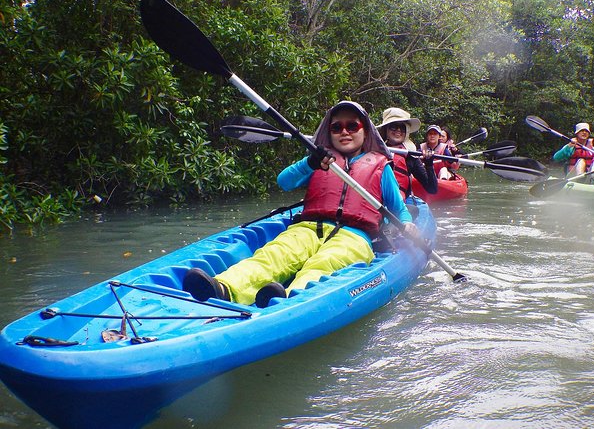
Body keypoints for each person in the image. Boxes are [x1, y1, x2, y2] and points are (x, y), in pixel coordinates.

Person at [182, 101, 419, 307]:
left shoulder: (380, 165)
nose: (344, 132)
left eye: (352, 126)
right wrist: (309, 163)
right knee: (274, 255)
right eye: (337, 127)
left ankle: (288, 299)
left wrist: (407, 224)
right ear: (330, 132)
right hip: (307, 228)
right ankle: (224, 288)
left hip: (354, 236)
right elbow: (283, 181)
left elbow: (398, 209)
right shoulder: (319, 159)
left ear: (365, 131)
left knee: (326, 263)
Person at [377, 107, 437, 198]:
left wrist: (429, 164)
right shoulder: (374, 151)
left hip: (400, 205)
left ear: (406, 131)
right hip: (376, 202)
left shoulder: (410, 157)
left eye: (402, 127)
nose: (398, 130)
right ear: (386, 129)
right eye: (393, 126)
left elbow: (432, 189)